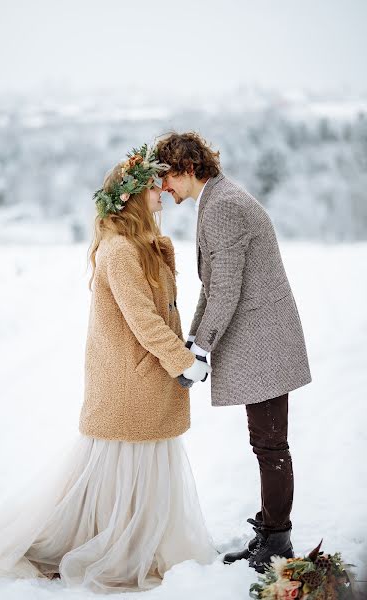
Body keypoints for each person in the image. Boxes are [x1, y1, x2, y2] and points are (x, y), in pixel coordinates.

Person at [0, 143, 215, 593]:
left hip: (149, 381)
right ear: (134, 197)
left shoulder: (146, 247)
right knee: (123, 472)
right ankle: (117, 549)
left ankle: (143, 542)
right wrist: (183, 360)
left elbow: (166, 310)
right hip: (131, 382)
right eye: (153, 187)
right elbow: (143, 320)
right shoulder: (119, 252)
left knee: (143, 472)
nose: (163, 191)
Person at [156, 132, 312, 573]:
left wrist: (202, 349)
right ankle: (271, 528)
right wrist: (193, 340)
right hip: (262, 340)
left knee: (270, 443)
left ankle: (278, 540)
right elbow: (214, 285)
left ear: (186, 169)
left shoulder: (223, 206)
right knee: (265, 441)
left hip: (265, 343)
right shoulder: (217, 199)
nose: (164, 189)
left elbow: (226, 289)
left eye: (166, 178)